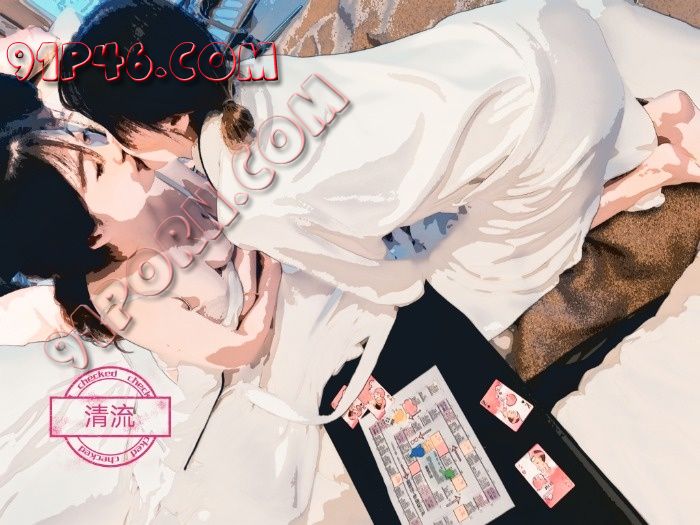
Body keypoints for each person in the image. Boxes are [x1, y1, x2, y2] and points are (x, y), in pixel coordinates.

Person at [56, 0, 700, 347]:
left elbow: (390, 281)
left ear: (159, 122)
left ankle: (650, 170)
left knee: (471, 295)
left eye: (104, 135)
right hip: (529, 28)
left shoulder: (247, 203)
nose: (110, 145)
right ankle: (644, 122)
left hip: (553, 115)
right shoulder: (256, 66)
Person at [0, 73, 281, 371]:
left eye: (85, 136)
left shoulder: (146, 172)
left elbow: (230, 204)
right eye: (97, 170)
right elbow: (239, 351)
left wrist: (260, 255)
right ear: (94, 233)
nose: (113, 146)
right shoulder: (124, 297)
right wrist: (270, 272)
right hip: (268, 351)